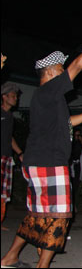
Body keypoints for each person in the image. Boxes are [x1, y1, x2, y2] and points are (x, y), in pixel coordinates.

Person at [0, 28, 82, 269]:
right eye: (61, 70)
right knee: (60, 216)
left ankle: (9, 258)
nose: (65, 74)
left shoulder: (47, 98)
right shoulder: (50, 89)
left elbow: (67, 123)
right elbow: (77, 66)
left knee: (38, 216)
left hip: (38, 162)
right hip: (49, 163)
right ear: (52, 71)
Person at [1, 82, 23, 231]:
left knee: (3, 193)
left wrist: (20, 153)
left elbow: (9, 138)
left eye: (16, 96)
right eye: (13, 96)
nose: (16, 98)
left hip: (6, 157)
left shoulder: (9, 117)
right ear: (4, 97)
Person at [69, 128, 82, 217]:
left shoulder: (80, 144)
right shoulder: (70, 143)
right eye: (76, 135)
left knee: (75, 186)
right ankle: (70, 205)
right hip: (70, 166)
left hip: (77, 168)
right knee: (70, 186)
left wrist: (81, 140)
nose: (77, 137)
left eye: (79, 135)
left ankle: (73, 204)